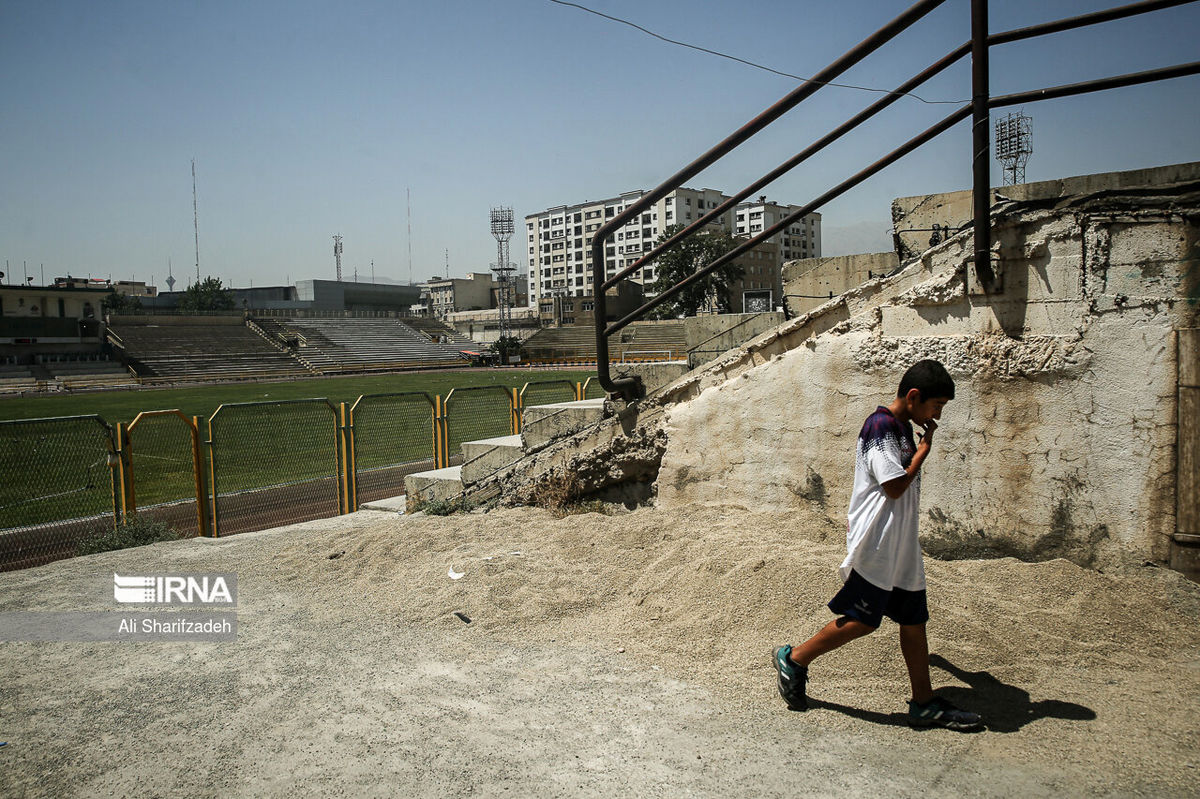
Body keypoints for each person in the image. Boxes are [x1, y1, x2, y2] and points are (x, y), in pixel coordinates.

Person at [772, 359, 982, 731]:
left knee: (914, 621)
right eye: (937, 406)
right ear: (914, 397)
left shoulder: (901, 426)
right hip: (878, 544)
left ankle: (924, 703)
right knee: (862, 621)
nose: (938, 414)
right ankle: (795, 658)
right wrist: (923, 451)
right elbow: (895, 485)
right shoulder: (880, 427)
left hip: (901, 546)